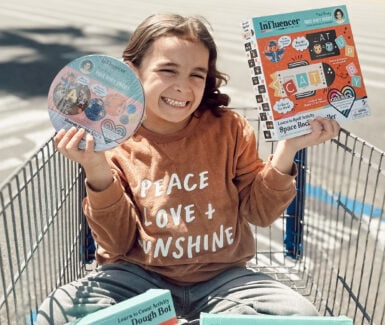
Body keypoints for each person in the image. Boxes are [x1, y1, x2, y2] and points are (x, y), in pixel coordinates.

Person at [37, 13, 340, 324]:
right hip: (136, 279)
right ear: (132, 72)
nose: (183, 87)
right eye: (168, 71)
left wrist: (288, 148)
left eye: (196, 74)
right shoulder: (111, 138)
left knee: (300, 315)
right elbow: (117, 243)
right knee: (57, 312)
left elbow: (260, 213)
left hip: (223, 280)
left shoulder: (228, 128)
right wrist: (95, 167)